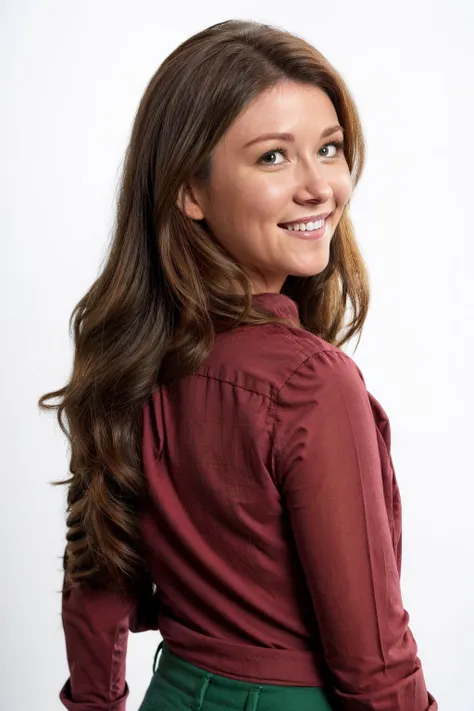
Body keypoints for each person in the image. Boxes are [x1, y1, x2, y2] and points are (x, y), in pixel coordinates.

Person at [39, 19, 438, 711]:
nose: (320, 187)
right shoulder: (312, 383)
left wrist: (95, 702)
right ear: (190, 191)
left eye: (329, 148)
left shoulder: (129, 356)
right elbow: (374, 664)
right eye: (273, 158)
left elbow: (95, 581)